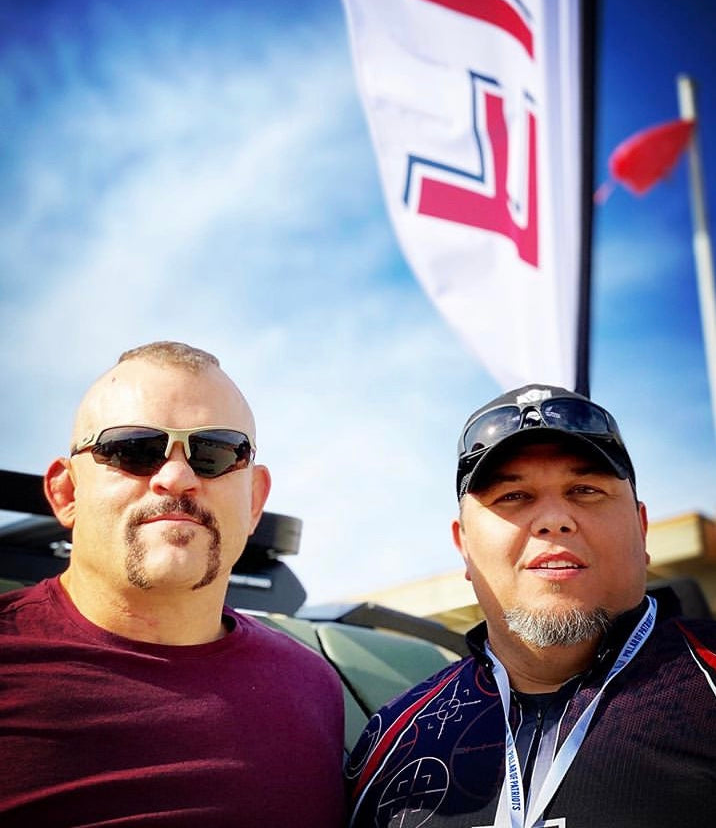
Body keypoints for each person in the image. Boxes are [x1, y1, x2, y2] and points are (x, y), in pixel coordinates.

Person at [0, 341, 346, 827]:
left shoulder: (318, 689)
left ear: (253, 501)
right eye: (133, 448)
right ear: (66, 491)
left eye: (216, 452)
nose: (177, 476)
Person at [346, 383, 716, 827]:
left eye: (585, 490)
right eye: (513, 497)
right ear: (463, 545)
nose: (554, 519)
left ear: (641, 528)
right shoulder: (392, 739)